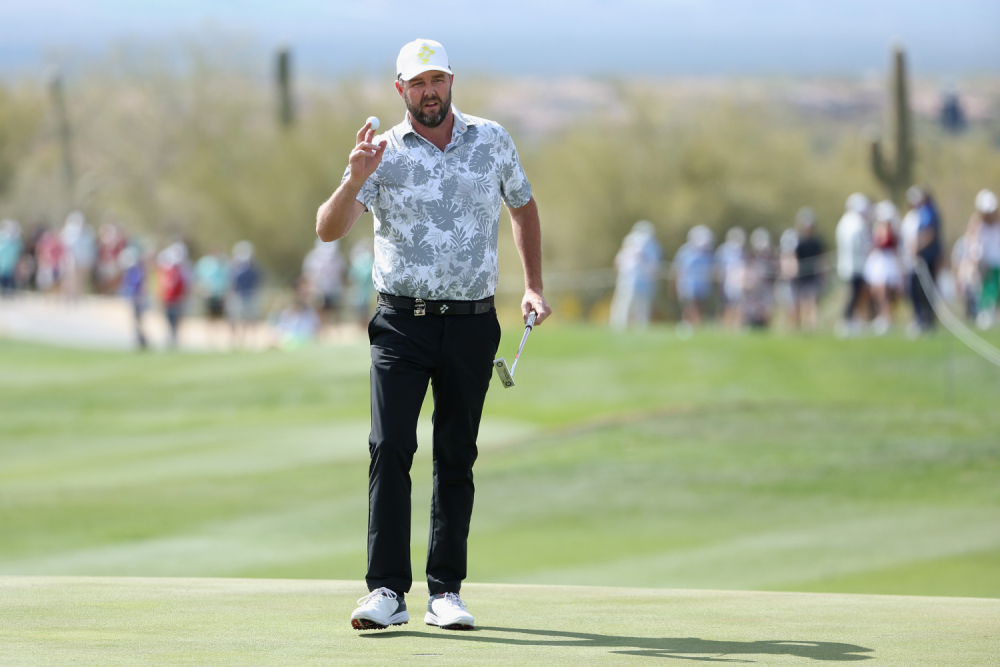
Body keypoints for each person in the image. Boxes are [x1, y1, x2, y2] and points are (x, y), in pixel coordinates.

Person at [315, 38, 550, 632]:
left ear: (452, 82)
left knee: (456, 455)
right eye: (417, 83)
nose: (429, 92)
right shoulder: (381, 152)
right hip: (402, 323)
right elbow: (327, 229)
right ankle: (387, 593)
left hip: (473, 323)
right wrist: (353, 180)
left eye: (438, 80)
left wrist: (533, 285)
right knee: (391, 445)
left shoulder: (492, 139)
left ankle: (446, 592)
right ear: (400, 90)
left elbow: (522, 206)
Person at [609, 220, 662, 331]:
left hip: (631, 280)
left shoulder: (631, 242)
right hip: (637, 280)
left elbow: (618, 263)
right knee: (637, 307)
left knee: (628, 305)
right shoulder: (650, 244)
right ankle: (633, 327)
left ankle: (620, 327)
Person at [864, 201, 903, 335]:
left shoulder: (889, 228)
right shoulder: (878, 227)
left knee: (883, 292)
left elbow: (885, 242)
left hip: (886, 261)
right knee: (876, 290)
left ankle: (887, 317)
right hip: (878, 261)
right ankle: (881, 316)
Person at [836, 193, 872, 336]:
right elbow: (859, 245)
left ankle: (851, 319)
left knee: (854, 293)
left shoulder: (846, 221)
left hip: (849, 264)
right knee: (854, 294)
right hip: (854, 265)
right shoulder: (855, 222)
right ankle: (847, 320)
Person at [968, 189, 1000, 328]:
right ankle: (986, 313)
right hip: (986, 263)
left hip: (997, 262)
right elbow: (974, 245)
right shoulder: (978, 225)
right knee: (986, 289)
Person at [673, 225, 714, 327]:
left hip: (702, 287)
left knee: (700, 306)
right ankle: (687, 324)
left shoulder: (707, 254)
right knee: (689, 306)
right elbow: (678, 268)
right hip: (688, 285)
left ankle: (697, 325)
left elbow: (712, 269)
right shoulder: (685, 251)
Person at [792, 209, 825, 332]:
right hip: (802, 276)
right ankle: (805, 324)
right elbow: (795, 257)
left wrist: (822, 272)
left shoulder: (817, 242)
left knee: (812, 299)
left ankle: (812, 324)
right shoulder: (799, 242)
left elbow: (821, 257)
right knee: (804, 300)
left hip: (813, 275)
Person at [302, 239, 346, 326]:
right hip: (318, 290)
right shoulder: (312, 258)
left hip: (334, 289)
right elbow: (308, 275)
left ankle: (335, 330)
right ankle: (322, 328)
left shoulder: (338, 258)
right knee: (320, 310)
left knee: (334, 311)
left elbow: (341, 273)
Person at [157, 242, 190, 348]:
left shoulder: (180, 270)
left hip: (176, 300)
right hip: (169, 299)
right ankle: (171, 339)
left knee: (175, 320)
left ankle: (173, 339)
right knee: (170, 320)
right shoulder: (169, 270)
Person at [229, 241, 261, 347]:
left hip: (249, 296)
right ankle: (238, 340)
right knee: (237, 318)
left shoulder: (252, 270)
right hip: (239, 296)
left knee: (250, 318)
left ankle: (250, 340)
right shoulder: (235, 269)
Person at [742, 227, 776, 328]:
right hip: (755, 286)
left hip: (766, 286)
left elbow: (774, 270)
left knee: (766, 308)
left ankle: (766, 326)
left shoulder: (770, 256)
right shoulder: (751, 256)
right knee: (751, 308)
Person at [714, 227, 746, 330]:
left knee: (738, 304)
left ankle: (737, 325)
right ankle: (725, 325)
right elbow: (719, 266)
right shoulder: (723, 250)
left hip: (739, 280)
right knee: (726, 304)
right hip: (726, 281)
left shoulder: (742, 251)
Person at [118, 246, 148, 349]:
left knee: (138, 320)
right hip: (135, 298)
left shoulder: (136, 270)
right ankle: (140, 339)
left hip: (137, 298)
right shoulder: (133, 270)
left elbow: (136, 285)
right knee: (136, 321)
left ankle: (142, 340)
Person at [348, 240, 376, 327]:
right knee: (363, 313)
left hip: (366, 293)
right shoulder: (368, 262)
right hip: (363, 293)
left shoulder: (362, 263)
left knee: (366, 314)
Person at [0, 219, 23, 296]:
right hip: (3, 264)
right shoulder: (2, 238)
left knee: (10, 281)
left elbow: (19, 252)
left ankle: (9, 294)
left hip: (12, 265)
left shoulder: (17, 241)